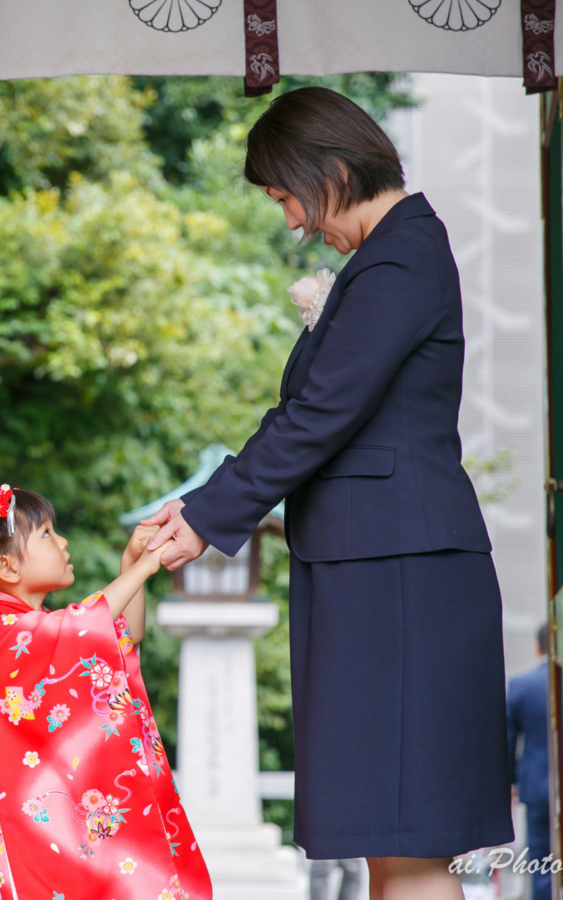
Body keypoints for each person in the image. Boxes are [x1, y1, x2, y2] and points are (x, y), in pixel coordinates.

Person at [143, 86, 513, 900]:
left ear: (334, 170)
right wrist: (204, 505)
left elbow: (321, 413)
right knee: (386, 840)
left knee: (408, 841)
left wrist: (208, 514)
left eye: (286, 196)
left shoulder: (403, 255)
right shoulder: (386, 259)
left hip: (402, 575)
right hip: (375, 570)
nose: (292, 222)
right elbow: (312, 415)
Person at [0, 485, 212, 900]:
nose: (62, 542)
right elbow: (81, 628)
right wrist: (144, 567)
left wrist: (129, 565)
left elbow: (121, 636)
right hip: (17, 831)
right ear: (7, 567)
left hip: (39, 825)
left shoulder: (23, 627)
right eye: (46, 534)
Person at [507, 623, 552, 900]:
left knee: (542, 863)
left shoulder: (523, 685)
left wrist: (511, 780)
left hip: (538, 787)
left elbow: (507, 740)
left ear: (537, 648)